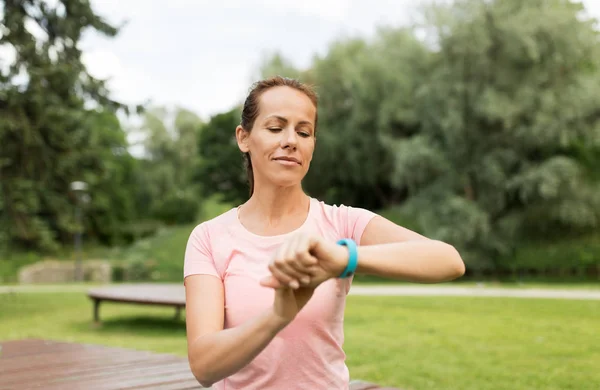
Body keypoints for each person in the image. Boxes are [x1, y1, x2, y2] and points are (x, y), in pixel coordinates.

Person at [183, 76, 465, 390]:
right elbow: (204, 366)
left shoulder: (342, 223)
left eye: (303, 132)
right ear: (244, 137)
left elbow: (449, 260)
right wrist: (278, 315)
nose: (291, 140)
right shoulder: (209, 238)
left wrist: (345, 257)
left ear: (312, 145)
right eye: (276, 128)